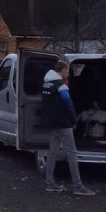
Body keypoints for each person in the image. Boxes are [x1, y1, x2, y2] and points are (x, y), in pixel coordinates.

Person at [41, 60, 95, 196]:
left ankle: (50, 183)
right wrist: (73, 120)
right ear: (63, 70)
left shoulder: (46, 84)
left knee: (52, 152)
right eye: (66, 71)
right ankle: (78, 186)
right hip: (63, 124)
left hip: (51, 123)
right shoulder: (61, 86)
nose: (67, 74)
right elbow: (68, 105)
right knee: (72, 153)